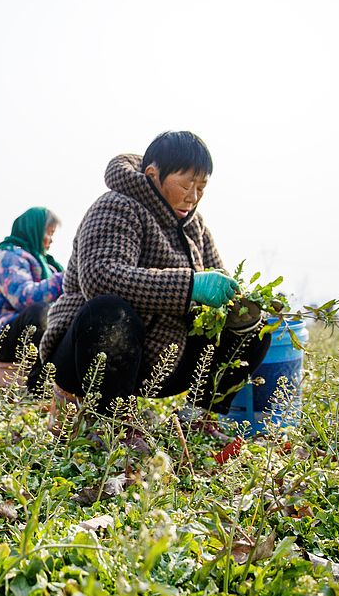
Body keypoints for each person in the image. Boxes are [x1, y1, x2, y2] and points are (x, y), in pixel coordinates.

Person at [39, 131, 272, 444]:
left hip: (161, 360)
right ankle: (114, 422)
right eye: (187, 184)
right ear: (152, 175)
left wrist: (239, 306)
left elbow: (220, 281)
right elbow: (101, 277)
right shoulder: (117, 206)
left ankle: (197, 418)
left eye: (201, 187)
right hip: (87, 358)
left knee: (254, 330)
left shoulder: (196, 227)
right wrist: (190, 287)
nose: (193, 196)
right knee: (109, 310)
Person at [0, 207, 64, 392]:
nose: (51, 240)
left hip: (20, 334)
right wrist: (65, 279)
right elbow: (24, 298)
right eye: (48, 233)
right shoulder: (8, 257)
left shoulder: (43, 262)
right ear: (35, 230)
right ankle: (38, 388)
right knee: (39, 311)